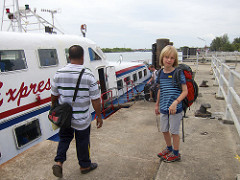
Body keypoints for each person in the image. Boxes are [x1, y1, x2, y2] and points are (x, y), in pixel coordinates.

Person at [51, 45, 103, 177]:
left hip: (65, 118)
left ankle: (59, 163)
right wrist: (99, 116)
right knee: (82, 142)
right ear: (82, 57)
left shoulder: (59, 73)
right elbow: (95, 100)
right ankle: (85, 165)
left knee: (64, 139)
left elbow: (54, 95)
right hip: (82, 119)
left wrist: (54, 109)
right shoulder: (88, 75)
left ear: (69, 57)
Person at [155, 45, 188, 163]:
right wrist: (157, 105)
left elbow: (185, 91)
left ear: (175, 60)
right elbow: (160, 89)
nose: (169, 60)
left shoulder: (178, 73)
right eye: (166, 57)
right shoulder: (159, 74)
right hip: (163, 107)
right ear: (162, 58)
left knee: (174, 132)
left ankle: (176, 153)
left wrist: (176, 102)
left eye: (172, 58)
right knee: (164, 130)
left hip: (175, 108)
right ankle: (169, 148)